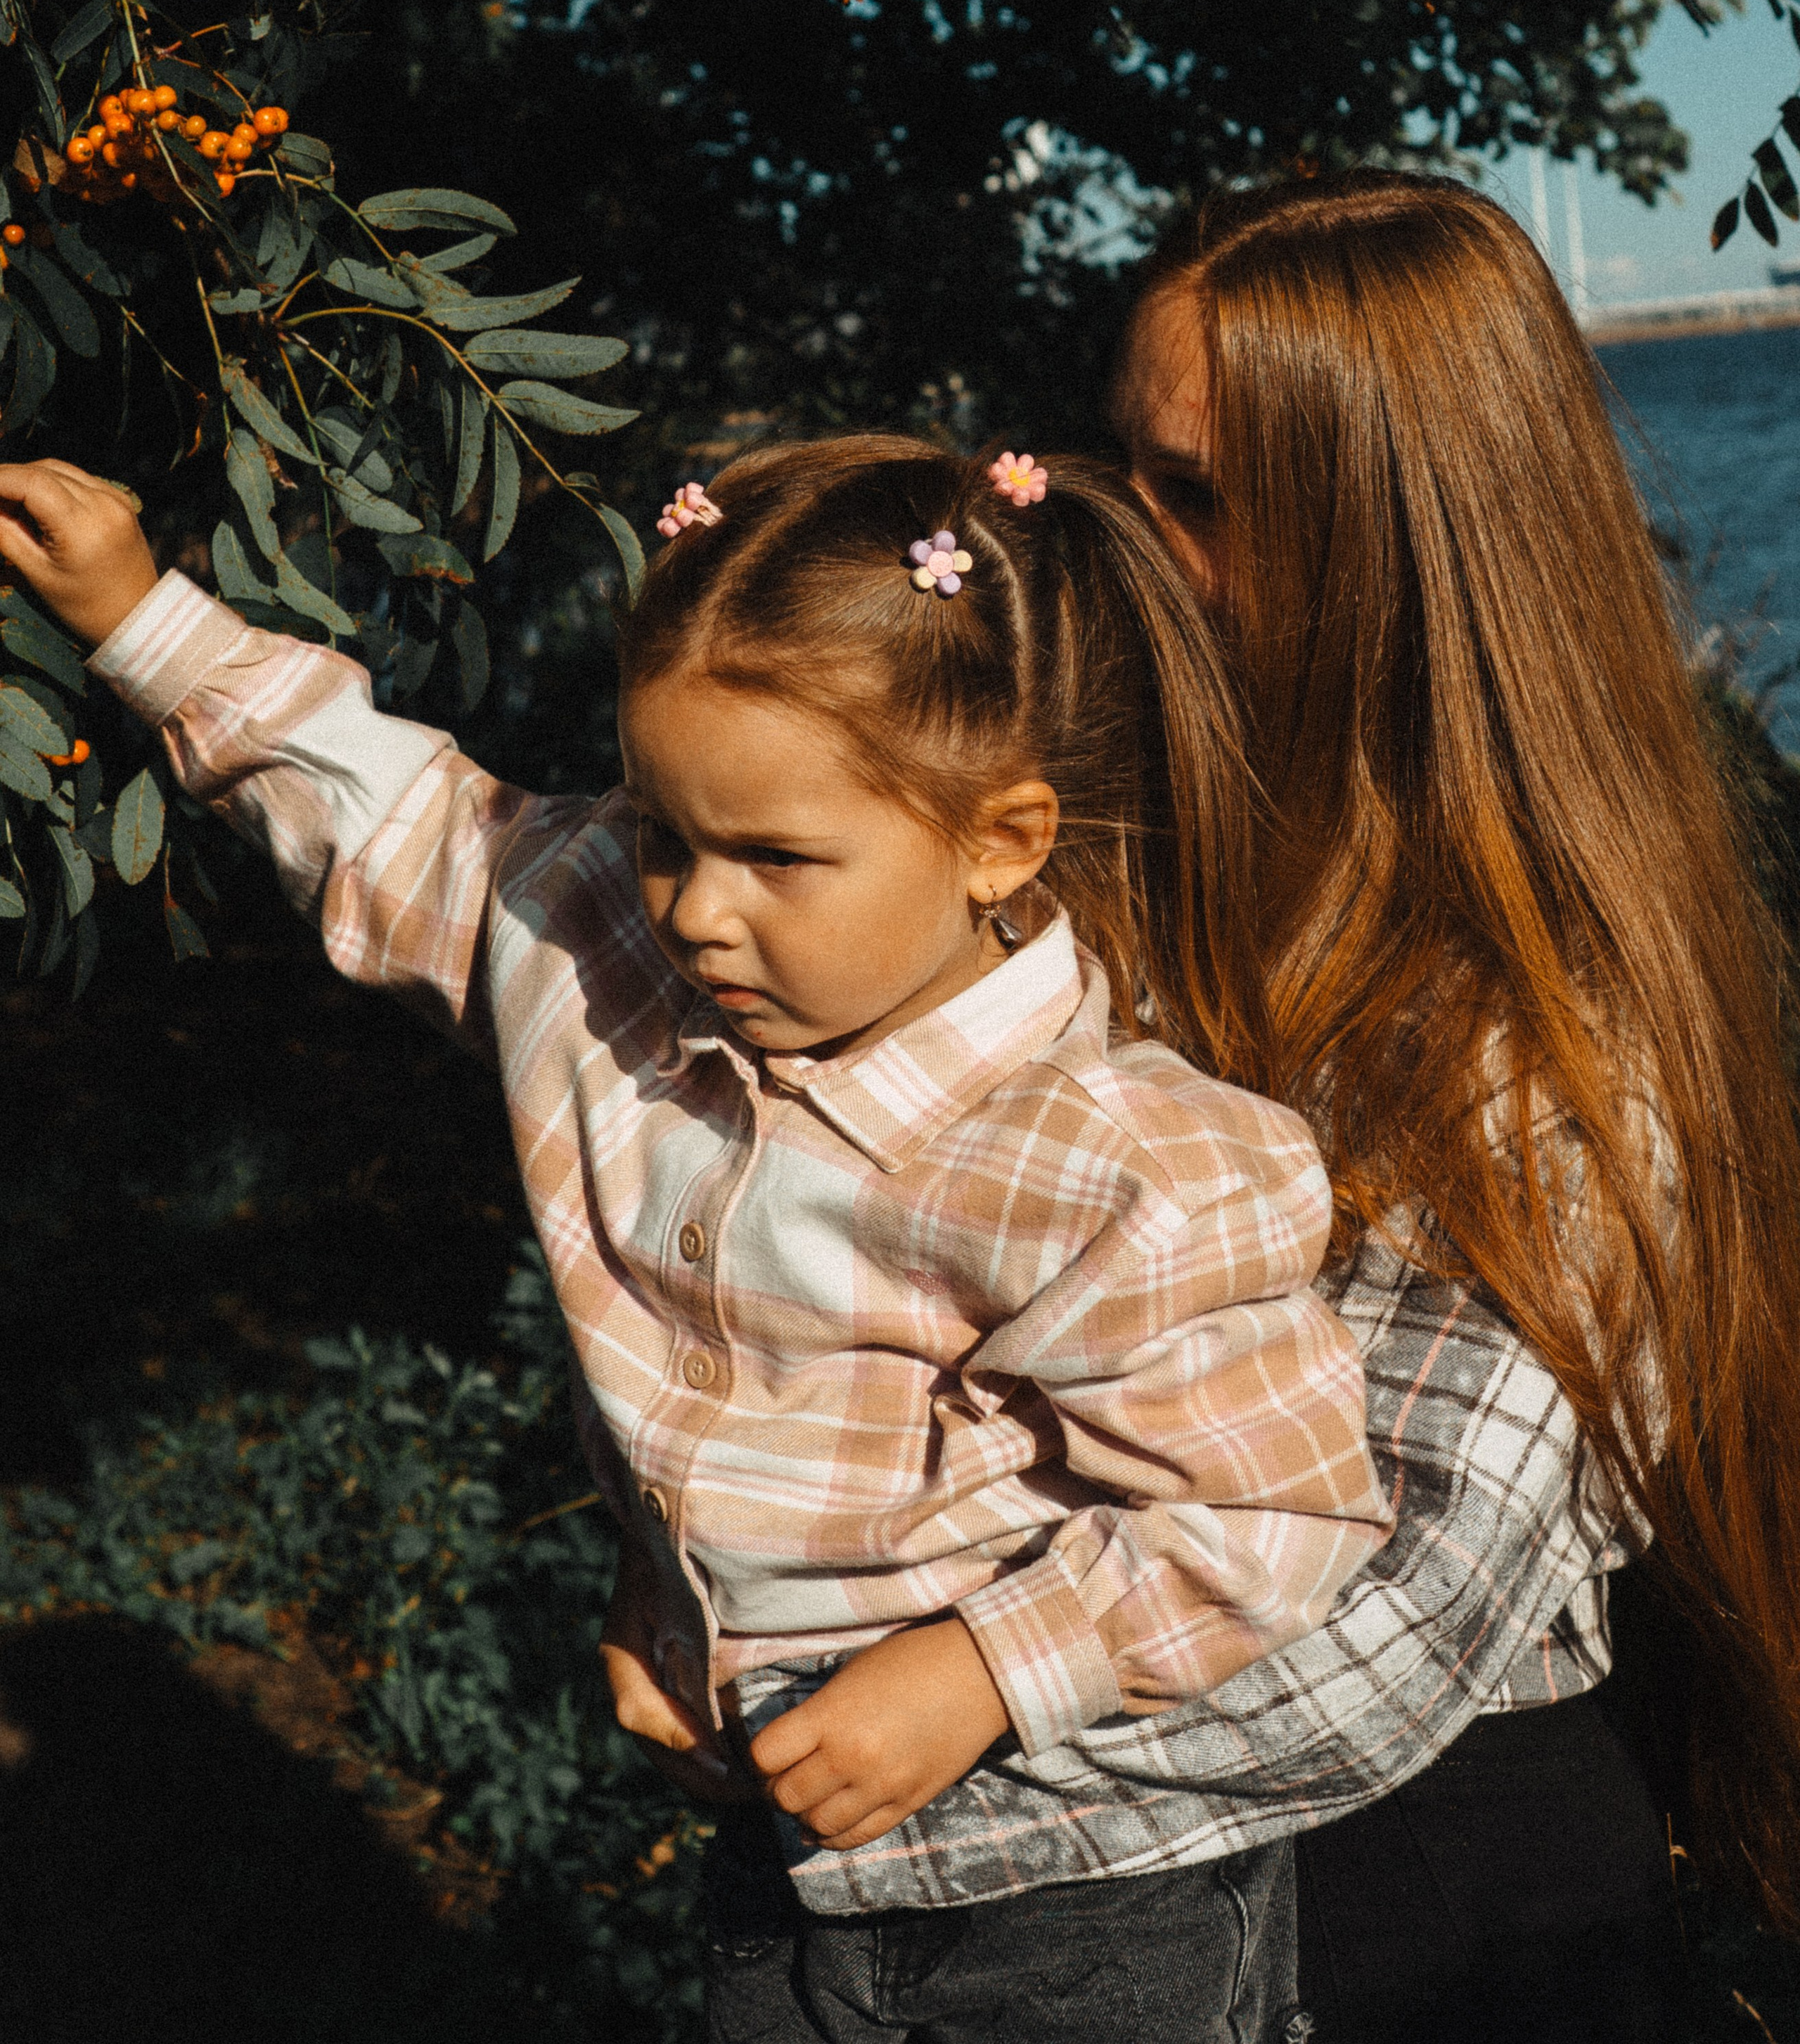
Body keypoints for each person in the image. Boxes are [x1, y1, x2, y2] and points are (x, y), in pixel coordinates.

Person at [0, 436, 1390, 2044]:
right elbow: (391, 818)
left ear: (1001, 843)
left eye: (776, 859)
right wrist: (143, 617)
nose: (694, 910)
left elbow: (1274, 1512)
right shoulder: (605, 952)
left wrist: (985, 1669)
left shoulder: (1112, 1165)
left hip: (1082, 1885)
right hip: (777, 1846)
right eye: (664, 828)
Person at [1095, 169, 1800, 2041]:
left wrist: (894, 1726)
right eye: (1121, 472)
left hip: (1431, 1891)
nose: (1125, 545)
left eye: (1201, 499)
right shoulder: (1142, 851)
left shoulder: (1552, 1030)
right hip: (1151, 1863)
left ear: (1398, 546)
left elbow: (1380, 1628)